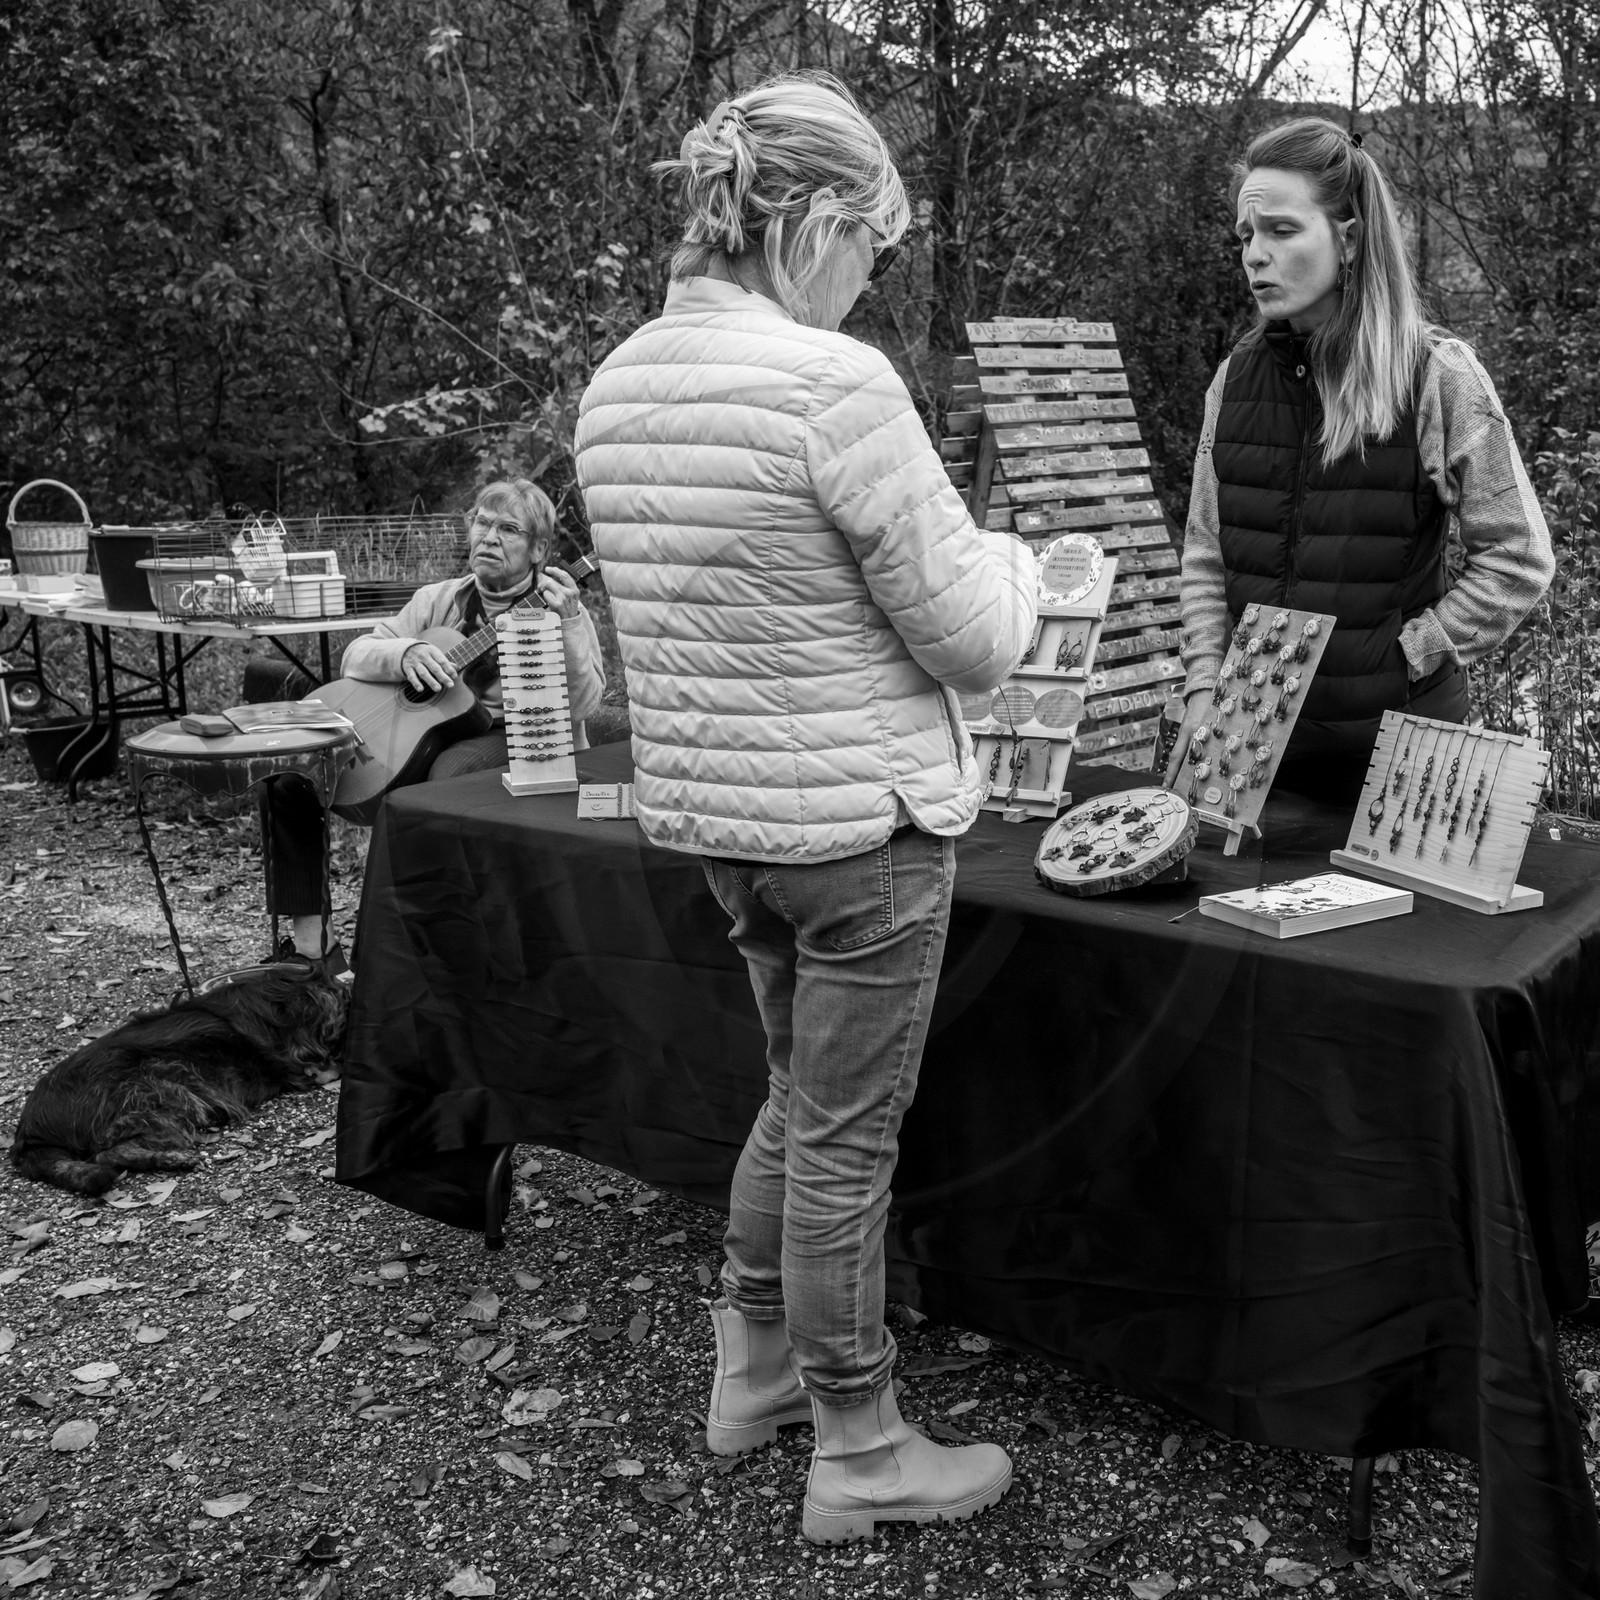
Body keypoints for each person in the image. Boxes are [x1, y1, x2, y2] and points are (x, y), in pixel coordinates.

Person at [574, 73, 1036, 1544]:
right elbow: (972, 636)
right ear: (819, 220)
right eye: (871, 249)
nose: (868, 280)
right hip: (858, 832)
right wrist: (1024, 564)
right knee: (846, 1138)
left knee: (796, 1099)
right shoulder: (833, 384)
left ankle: (753, 1371)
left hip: (724, 824)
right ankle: (861, 1444)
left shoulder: (619, 381)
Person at [1164, 117, 1553, 793]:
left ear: (1348, 239)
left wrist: (1412, 652)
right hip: (1253, 756)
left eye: (1281, 230)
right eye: (1246, 235)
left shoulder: (1436, 375)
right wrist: (1204, 683)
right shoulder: (1234, 382)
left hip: (1404, 756)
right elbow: (1206, 553)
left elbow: (1518, 556)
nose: (1255, 255)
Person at [265, 478, 606, 969]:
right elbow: (356, 655)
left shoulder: (562, 609)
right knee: (292, 777)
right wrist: (406, 653)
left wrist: (569, 624)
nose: (489, 536)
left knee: (447, 780)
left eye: (508, 529)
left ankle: (426, 954)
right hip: (427, 737)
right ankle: (313, 950)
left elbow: (585, 705)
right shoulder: (437, 599)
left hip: (521, 739)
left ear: (539, 550)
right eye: (482, 523)